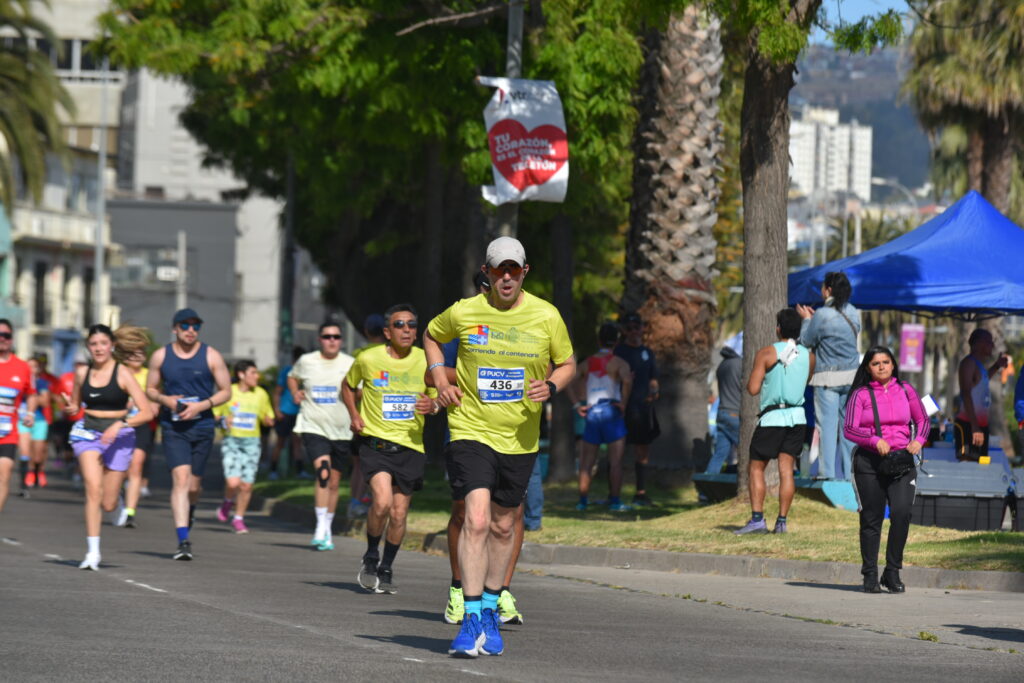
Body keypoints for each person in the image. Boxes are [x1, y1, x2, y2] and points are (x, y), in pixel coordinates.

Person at [425, 236, 575, 658]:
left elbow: (567, 363)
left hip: (520, 437)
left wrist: (552, 385)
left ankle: (491, 607)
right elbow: (431, 336)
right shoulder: (464, 310)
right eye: (498, 269)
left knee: (504, 525)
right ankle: (470, 617)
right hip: (471, 430)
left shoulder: (547, 316)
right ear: (487, 274)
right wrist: (439, 377)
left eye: (513, 269)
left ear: (524, 272)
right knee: (475, 519)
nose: (506, 276)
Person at [432, 271, 528, 626]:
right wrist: (469, 375)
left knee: (511, 518)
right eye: (487, 287)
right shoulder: (467, 323)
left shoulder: (528, 323)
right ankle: (460, 588)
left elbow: (553, 364)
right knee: (469, 515)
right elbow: (433, 372)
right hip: (470, 431)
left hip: (516, 434)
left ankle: (499, 592)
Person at [343, 304, 436, 594]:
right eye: (399, 325)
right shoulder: (368, 359)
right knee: (381, 502)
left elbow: (437, 395)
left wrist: (432, 405)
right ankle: (371, 555)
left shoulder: (425, 360)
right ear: (387, 331)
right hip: (376, 443)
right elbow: (346, 386)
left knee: (399, 514)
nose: (406, 330)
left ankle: (387, 567)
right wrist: (354, 415)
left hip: (410, 446)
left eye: (411, 325)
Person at [146, 308, 232, 561]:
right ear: (175, 328)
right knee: (181, 479)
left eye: (196, 326)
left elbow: (226, 391)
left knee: (194, 486)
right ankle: (183, 539)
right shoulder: (161, 356)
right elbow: (150, 389)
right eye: (185, 326)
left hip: (202, 426)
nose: (191, 330)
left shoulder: (211, 355)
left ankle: (190, 511)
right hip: (174, 428)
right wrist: (165, 400)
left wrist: (201, 405)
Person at [65, 325, 153, 569]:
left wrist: (120, 424)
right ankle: (93, 552)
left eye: (103, 343)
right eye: (93, 344)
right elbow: (75, 403)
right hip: (87, 434)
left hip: (120, 436)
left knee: (108, 503)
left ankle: (118, 505)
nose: (98, 348)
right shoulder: (82, 373)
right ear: (88, 347)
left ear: (112, 345)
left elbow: (147, 412)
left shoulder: (123, 373)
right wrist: (72, 408)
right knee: (93, 489)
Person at [843, 346, 929, 593]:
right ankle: (869, 573)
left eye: (885, 362)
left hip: (902, 462)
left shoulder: (906, 390)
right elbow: (849, 428)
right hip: (869, 463)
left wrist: (918, 441)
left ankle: (892, 571)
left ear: (893, 365)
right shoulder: (860, 395)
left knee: (901, 513)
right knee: (872, 518)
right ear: (867, 368)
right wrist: (873, 439)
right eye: (875, 363)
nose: (881, 366)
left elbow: (923, 420)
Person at [735, 309, 814, 535]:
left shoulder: (767, 353)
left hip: (772, 418)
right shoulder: (809, 356)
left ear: (778, 328)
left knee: (757, 467)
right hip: (797, 417)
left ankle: (758, 519)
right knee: (786, 470)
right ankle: (782, 522)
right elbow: (805, 380)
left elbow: (752, 389)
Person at [289, 321, 355, 550]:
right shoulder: (307, 361)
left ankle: (327, 528)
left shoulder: (350, 364)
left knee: (335, 483)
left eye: (336, 336)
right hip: (313, 425)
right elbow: (292, 376)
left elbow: (362, 389)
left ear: (341, 340)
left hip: (342, 429)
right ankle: (319, 527)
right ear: (320, 339)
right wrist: (295, 392)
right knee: (323, 473)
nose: (332, 340)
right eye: (327, 336)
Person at [796, 271, 860, 481]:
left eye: (823, 288)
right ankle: (851, 476)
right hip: (851, 378)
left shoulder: (822, 314)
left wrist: (807, 320)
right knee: (848, 429)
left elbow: (806, 340)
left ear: (829, 290)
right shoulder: (853, 312)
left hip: (827, 379)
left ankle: (827, 475)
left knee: (827, 428)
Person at [571, 322, 633, 512]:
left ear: (599, 340)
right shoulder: (619, 362)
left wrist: (577, 404)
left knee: (587, 461)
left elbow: (569, 379)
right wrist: (624, 402)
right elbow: (628, 380)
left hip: (592, 412)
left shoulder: (587, 362)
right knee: (615, 461)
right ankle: (614, 501)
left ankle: (582, 502)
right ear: (616, 341)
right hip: (611, 410)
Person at [214, 360, 275, 533]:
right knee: (233, 483)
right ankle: (227, 502)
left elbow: (267, 415)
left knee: (247, 485)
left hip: (252, 443)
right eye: (253, 373)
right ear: (241, 374)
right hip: (232, 440)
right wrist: (223, 420)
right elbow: (215, 415)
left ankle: (239, 518)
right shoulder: (227, 392)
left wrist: (269, 420)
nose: (257, 376)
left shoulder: (261, 394)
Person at [613, 312, 660, 505]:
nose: (634, 331)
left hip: (642, 409)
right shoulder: (618, 352)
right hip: (621, 408)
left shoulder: (648, 353)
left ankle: (640, 492)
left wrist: (655, 391)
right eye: (629, 328)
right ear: (624, 331)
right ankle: (614, 494)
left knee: (642, 451)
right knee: (618, 451)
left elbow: (654, 378)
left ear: (642, 328)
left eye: (637, 327)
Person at [955, 329, 1008, 461]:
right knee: (967, 464)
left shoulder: (979, 365)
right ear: (979, 343)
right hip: (969, 425)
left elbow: (981, 381)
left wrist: (997, 366)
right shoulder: (969, 363)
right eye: (990, 342)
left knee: (981, 464)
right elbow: (966, 393)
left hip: (980, 425)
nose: (993, 345)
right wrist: (974, 426)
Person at [0, 319, 35, 517]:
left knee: (4, 476)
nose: (2, 339)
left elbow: (31, 394)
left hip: (7, 433)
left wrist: (29, 413)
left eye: (6, 335)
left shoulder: (22, 367)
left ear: (12, 339)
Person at [120, 343, 157, 528]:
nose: (137, 356)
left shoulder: (149, 374)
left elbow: (155, 395)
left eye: (141, 352)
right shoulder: (119, 372)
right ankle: (119, 494)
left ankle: (130, 512)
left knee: (136, 465)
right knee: (120, 468)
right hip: (119, 425)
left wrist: (155, 404)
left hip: (141, 425)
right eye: (133, 353)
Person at [270, 346, 305, 481]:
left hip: (300, 413)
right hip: (285, 412)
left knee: (297, 443)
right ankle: (273, 470)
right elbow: (277, 392)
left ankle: (299, 470)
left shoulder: (306, 372)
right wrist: (277, 410)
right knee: (280, 443)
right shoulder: (287, 371)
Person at [53, 351, 88, 486]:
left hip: (85, 419)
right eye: (78, 363)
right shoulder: (65, 378)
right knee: (68, 450)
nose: (80, 366)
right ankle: (69, 464)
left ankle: (77, 473)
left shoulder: (91, 377)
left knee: (81, 449)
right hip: (69, 418)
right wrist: (62, 406)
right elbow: (56, 394)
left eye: (83, 363)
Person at [707, 343, 742, 474]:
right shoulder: (740, 364)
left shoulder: (722, 365)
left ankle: (707, 490)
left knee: (719, 454)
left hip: (721, 413)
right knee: (747, 451)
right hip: (734, 414)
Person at [24, 356, 52, 488]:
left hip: (39, 420)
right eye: (28, 366)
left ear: (38, 369)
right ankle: (29, 473)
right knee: (26, 450)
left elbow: (45, 402)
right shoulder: (20, 382)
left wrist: (31, 395)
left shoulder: (42, 383)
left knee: (38, 454)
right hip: (22, 420)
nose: (30, 369)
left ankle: (39, 471)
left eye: (34, 366)